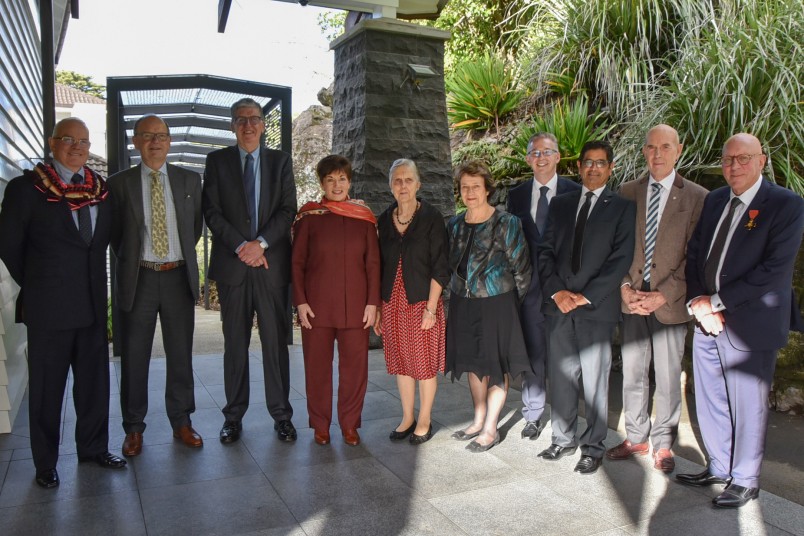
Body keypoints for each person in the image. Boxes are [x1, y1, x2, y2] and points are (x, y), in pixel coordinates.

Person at [677, 133, 804, 508]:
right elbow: (696, 252)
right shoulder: (716, 199)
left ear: (762, 161)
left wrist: (715, 302)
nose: (734, 166)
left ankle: (746, 479)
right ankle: (719, 466)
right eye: (728, 160)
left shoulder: (786, 205)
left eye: (743, 159)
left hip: (750, 325)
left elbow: (774, 271)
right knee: (710, 396)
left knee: (748, 404)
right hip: (706, 321)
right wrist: (698, 304)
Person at [0, 117, 126, 489]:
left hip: (90, 307)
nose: (77, 147)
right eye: (68, 139)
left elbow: (102, 242)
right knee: (46, 390)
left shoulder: (100, 189)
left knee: (94, 385)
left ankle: (92, 448)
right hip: (49, 308)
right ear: (52, 143)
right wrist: (40, 283)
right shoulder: (28, 189)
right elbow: (9, 246)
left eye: (84, 141)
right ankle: (46, 463)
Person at [606, 125, 708, 473]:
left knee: (667, 377)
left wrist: (663, 294)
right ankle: (636, 436)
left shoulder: (696, 196)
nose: (657, 154)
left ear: (678, 150)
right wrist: (623, 288)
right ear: (644, 151)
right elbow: (615, 249)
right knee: (633, 373)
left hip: (671, 304)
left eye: (665, 147)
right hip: (632, 301)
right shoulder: (626, 192)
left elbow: (696, 257)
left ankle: (663, 444)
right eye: (651, 147)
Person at [537, 140, 635, 474]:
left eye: (601, 163)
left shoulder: (622, 208)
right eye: (588, 162)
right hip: (560, 305)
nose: (594, 168)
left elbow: (620, 258)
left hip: (597, 307)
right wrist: (557, 293)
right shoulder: (561, 204)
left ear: (610, 168)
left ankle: (593, 446)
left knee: (595, 381)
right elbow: (545, 252)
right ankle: (562, 439)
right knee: (561, 376)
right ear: (578, 167)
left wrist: (586, 295)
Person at [202, 98, 298, 444]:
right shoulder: (217, 162)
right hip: (234, 268)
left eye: (254, 119)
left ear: (263, 124)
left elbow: (288, 209)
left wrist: (261, 244)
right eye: (241, 120)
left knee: (275, 346)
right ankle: (233, 417)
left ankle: (282, 416)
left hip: (271, 267)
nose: (248, 125)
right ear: (232, 125)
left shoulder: (280, 162)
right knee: (235, 346)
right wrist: (242, 247)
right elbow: (211, 212)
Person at [108, 114, 204, 456]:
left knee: (180, 354)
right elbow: (116, 236)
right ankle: (133, 428)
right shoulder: (119, 184)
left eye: (161, 135)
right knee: (135, 357)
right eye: (147, 135)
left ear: (169, 141)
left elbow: (193, 229)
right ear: (136, 142)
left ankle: (181, 421)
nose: (155, 141)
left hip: (177, 276)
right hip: (140, 278)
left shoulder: (189, 180)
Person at [291, 155, 380, 446]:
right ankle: (320, 425)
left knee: (355, 369)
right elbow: (297, 263)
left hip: (357, 307)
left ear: (350, 182)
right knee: (317, 369)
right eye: (330, 179)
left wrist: (372, 303)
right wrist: (300, 302)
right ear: (322, 183)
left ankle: (350, 424)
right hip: (315, 308)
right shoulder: (309, 217)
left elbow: (373, 264)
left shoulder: (364, 218)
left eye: (342, 178)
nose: (337, 184)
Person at [446, 160, 532, 452]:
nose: (470, 192)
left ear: (487, 190)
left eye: (475, 187)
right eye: (465, 187)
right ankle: (478, 418)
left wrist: (510, 303)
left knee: (495, 366)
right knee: (472, 363)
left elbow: (521, 269)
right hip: (463, 303)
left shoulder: (507, 223)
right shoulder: (455, 223)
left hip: (498, 304)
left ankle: (491, 427)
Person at [507, 132, 580, 440]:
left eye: (547, 152)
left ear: (558, 157)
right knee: (533, 350)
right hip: (528, 287)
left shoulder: (575, 192)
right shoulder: (517, 194)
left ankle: (565, 417)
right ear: (527, 159)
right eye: (535, 153)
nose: (541, 158)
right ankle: (533, 414)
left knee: (565, 356)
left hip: (563, 286)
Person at [374, 159, 449, 445]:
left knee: (423, 364)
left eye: (408, 180)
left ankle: (425, 419)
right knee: (401, 363)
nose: (402, 185)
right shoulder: (383, 220)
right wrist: (380, 307)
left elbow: (441, 265)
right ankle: (407, 417)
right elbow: (378, 266)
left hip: (422, 302)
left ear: (418, 184)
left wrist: (432, 307)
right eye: (397, 180)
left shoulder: (431, 217)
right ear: (390, 186)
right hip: (393, 302)